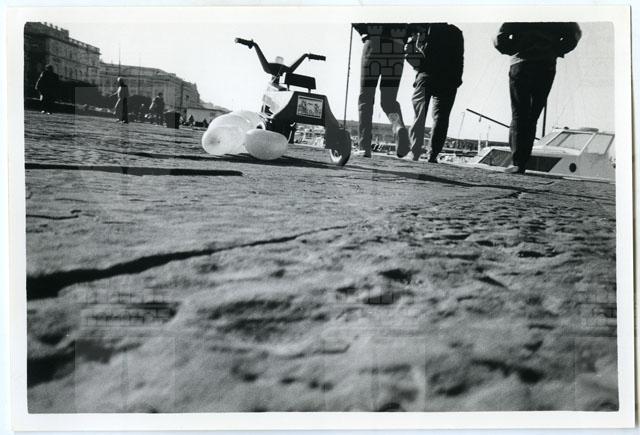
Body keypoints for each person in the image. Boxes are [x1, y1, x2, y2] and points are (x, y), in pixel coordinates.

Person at [494, 22, 581, 174]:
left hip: (521, 63)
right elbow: (574, 33)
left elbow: (499, 37)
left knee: (519, 113)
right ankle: (522, 162)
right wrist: (555, 50)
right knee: (533, 115)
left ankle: (518, 163)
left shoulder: (521, 11)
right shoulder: (559, 12)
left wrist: (514, 49)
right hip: (546, 64)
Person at [405, 23, 464, 162]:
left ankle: (414, 152)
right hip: (448, 80)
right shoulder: (456, 32)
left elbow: (409, 50)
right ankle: (433, 154)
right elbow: (460, 58)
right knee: (441, 118)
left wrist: (418, 66)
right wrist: (457, 79)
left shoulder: (426, 26)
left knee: (419, 115)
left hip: (426, 76)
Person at [353, 23, 411, 158]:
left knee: (366, 98)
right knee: (389, 100)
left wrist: (364, 29)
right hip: (397, 47)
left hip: (373, 44)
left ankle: (364, 147)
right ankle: (397, 127)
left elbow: (357, 21)